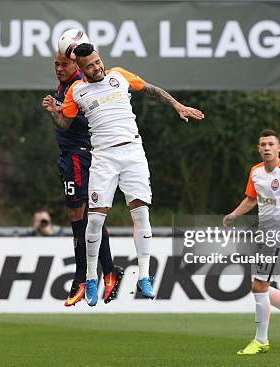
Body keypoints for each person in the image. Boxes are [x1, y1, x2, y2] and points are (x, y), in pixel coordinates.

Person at [42, 43, 204, 306]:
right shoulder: (77, 90)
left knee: (141, 213)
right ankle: (92, 278)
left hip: (133, 153)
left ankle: (144, 276)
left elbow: (152, 89)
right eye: (90, 66)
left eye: (98, 62)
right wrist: (54, 112)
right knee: (93, 221)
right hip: (103, 158)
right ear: (81, 71)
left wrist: (177, 106)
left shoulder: (118, 75)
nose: (97, 67)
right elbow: (65, 124)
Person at [223, 129, 280, 355]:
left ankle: (261, 340)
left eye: (271, 144)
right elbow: (251, 198)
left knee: (259, 286)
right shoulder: (255, 172)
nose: (266, 148)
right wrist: (235, 214)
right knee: (260, 287)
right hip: (263, 234)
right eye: (263, 144)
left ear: (279, 148)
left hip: (278, 235)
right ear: (258, 148)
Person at [40, 52, 123, 307]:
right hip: (69, 157)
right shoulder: (65, 86)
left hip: (80, 155)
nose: (58, 68)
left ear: (75, 64)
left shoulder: (81, 87)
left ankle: (86, 276)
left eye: (63, 64)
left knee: (83, 217)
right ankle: (104, 271)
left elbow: (82, 120)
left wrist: (56, 112)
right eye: (56, 64)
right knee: (83, 218)